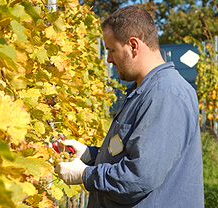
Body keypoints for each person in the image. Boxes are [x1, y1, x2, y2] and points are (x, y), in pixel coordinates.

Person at [54, 5, 204, 208]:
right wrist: (91, 155)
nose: (108, 59)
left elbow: (139, 177)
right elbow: (131, 153)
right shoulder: (143, 90)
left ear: (133, 46)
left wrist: (85, 174)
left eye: (111, 50)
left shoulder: (166, 93)